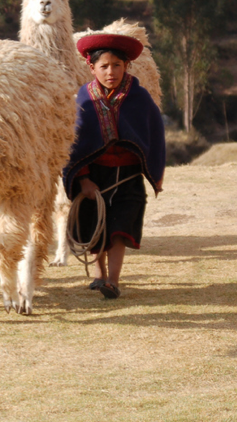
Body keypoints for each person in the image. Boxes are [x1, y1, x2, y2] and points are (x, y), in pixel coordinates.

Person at [63, 34, 165, 300]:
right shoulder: (84, 99)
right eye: (104, 66)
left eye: (117, 65)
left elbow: (154, 134)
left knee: (119, 228)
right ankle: (99, 274)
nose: (111, 72)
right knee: (96, 226)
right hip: (94, 175)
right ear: (91, 68)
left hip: (128, 176)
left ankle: (113, 281)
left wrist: (155, 171)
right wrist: (83, 179)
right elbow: (73, 143)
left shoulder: (139, 97)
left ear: (126, 66)